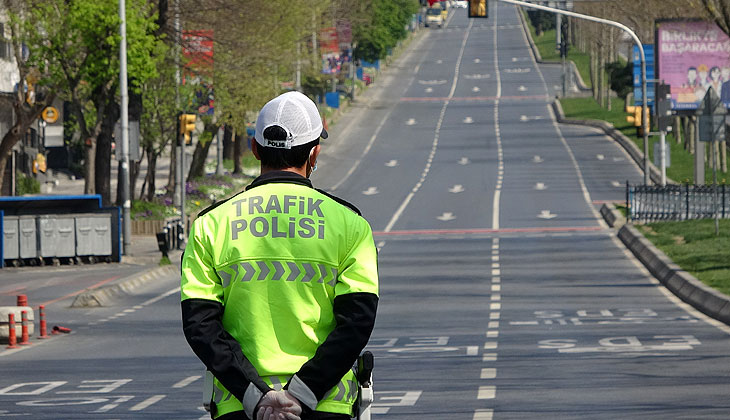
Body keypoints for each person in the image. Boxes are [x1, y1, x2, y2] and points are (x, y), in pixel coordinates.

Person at [181, 91, 379, 420]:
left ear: (255, 148)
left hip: (240, 407)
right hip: (325, 405)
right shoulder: (351, 225)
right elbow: (357, 322)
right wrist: (304, 392)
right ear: (314, 154)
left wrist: (253, 395)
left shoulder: (210, 225)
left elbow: (200, 325)